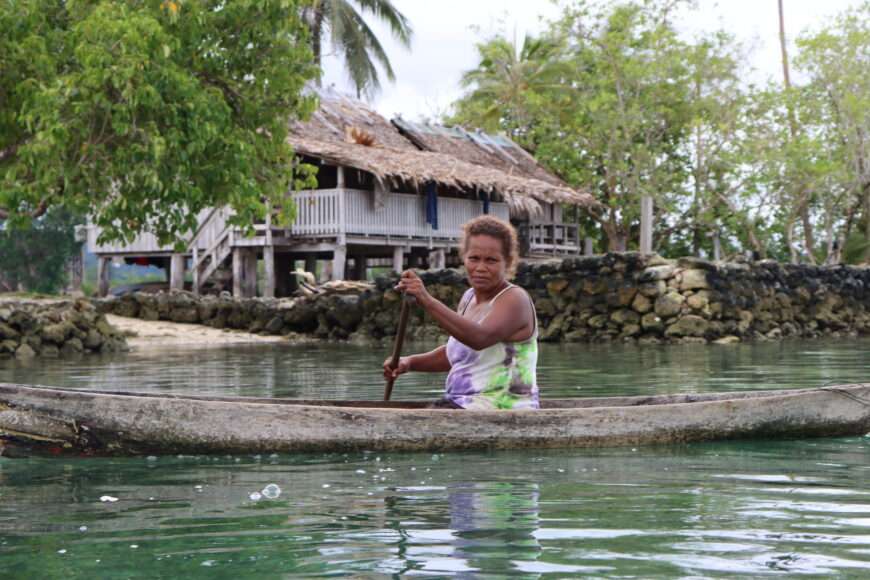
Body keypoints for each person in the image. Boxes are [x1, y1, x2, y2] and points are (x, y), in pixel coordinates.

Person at [382, 215, 539, 410]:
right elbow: (457, 353)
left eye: (491, 260)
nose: (481, 268)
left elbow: (479, 339)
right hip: (463, 406)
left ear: (507, 262)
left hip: (503, 410)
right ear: (464, 258)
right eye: (474, 258)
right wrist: (409, 363)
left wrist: (427, 300)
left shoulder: (515, 299)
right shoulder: (469, 298)